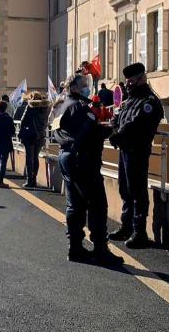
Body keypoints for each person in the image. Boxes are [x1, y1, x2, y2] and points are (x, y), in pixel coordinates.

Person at [53, 72, 124, 265]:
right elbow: (91, 133)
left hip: (66, 156)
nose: (87, 87)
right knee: (97, 204)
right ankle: (100, 249)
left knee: (74, 204)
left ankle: (75, 247)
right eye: (84, 84)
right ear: (74, 87)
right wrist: (112, 127)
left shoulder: (60, 105)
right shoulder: (79, 106)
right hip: (83, 159)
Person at [108, 63, 164, 249]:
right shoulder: (130, 99)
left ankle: (139, 232)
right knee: (125, 188)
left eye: (131, 80)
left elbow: (137, 124)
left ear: (141, 78)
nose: (128, 83)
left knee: (137, 190)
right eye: (127, 80)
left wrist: (118, 134)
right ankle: (126, 226)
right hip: (125, 149)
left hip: (138, 150)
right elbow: (120, 117)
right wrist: (113, 126)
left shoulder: (149, 101)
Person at [18, 92, 50, 189]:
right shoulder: (45, 108)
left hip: (30, 136)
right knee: (35, 157)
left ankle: (29, 180)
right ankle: (34, 179)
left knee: (29, 158)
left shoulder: (30, 107)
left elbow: (23, 121)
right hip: (40, 136)